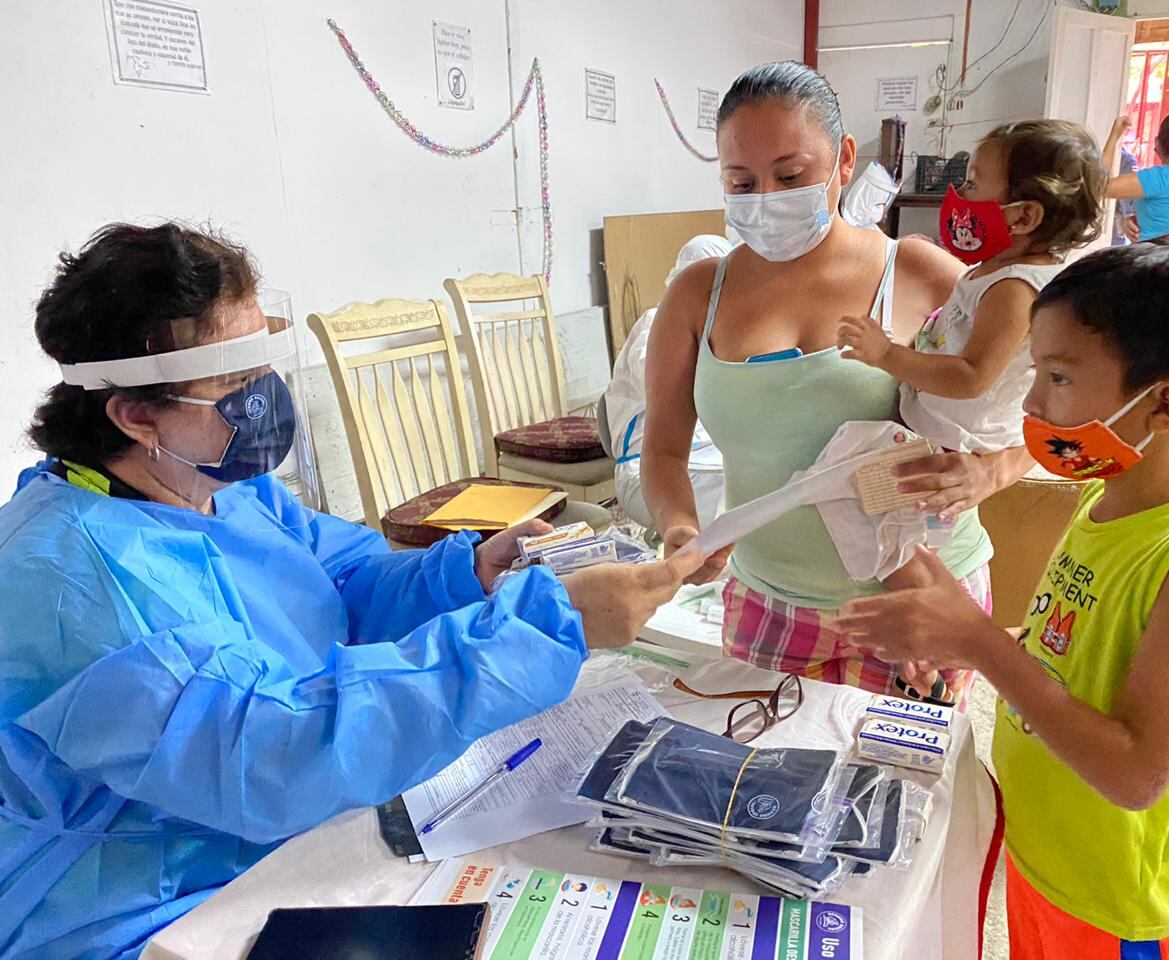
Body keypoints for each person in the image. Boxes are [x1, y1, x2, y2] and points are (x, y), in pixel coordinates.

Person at [0, 223, 701, 960]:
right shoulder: (76, 583)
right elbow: (272, 751)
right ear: (137, 415)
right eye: (234, 384)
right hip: (144, 908)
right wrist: (546, 628)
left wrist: (468, 575)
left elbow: (343, 585)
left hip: (282, 842)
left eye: (262, 365)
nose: (264, 399)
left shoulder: (216, 489)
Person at [838, 236, 1169, 959]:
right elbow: (1063, 654)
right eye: (1036, 372)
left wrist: (979, 642)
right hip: (1040, 861)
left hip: (1110, 905)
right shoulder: (1101, 500)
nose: (1033, 402)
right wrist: (952, 637)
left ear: (1164, 403)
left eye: (1059, 378)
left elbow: (1135, 774)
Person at [643, 61, 1030, 700]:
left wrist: (989, 473)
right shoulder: (696, 295)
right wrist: (680, 526)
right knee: (753, 760)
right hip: (771, 604)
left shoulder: (920, 274)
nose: (767, 198)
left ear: (845, 159)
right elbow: (661, 450)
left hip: (918, 605)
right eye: (742, 182)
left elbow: (1043, 416)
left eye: (791, 176)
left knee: (902, 767)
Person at [839, 119, 1107, 458]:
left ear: (1023, 217)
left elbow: (972, 377)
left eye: (972, 183)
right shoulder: (994, 270)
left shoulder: (1013, 289)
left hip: (955, 446)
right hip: (935, 426)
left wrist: (887, 355)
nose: (959, 194)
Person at [604, 234, 733, 531]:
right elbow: (674, 389)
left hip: (704, 453)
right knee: (743, 499)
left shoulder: (719, 327)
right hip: (645, 466)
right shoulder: (655, 324)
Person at [1105, 112, 1169, 242]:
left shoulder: (1158, 178)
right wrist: (1137, 219)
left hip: (1155, 253)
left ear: (1157, 142)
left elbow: (1100, 186)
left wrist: (1115, 135)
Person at [1110, 145, 1138, 245]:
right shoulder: (1128, 160)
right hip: (1115, 220)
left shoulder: (1126, 159)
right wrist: (1129, 214)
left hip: (1113, 220)